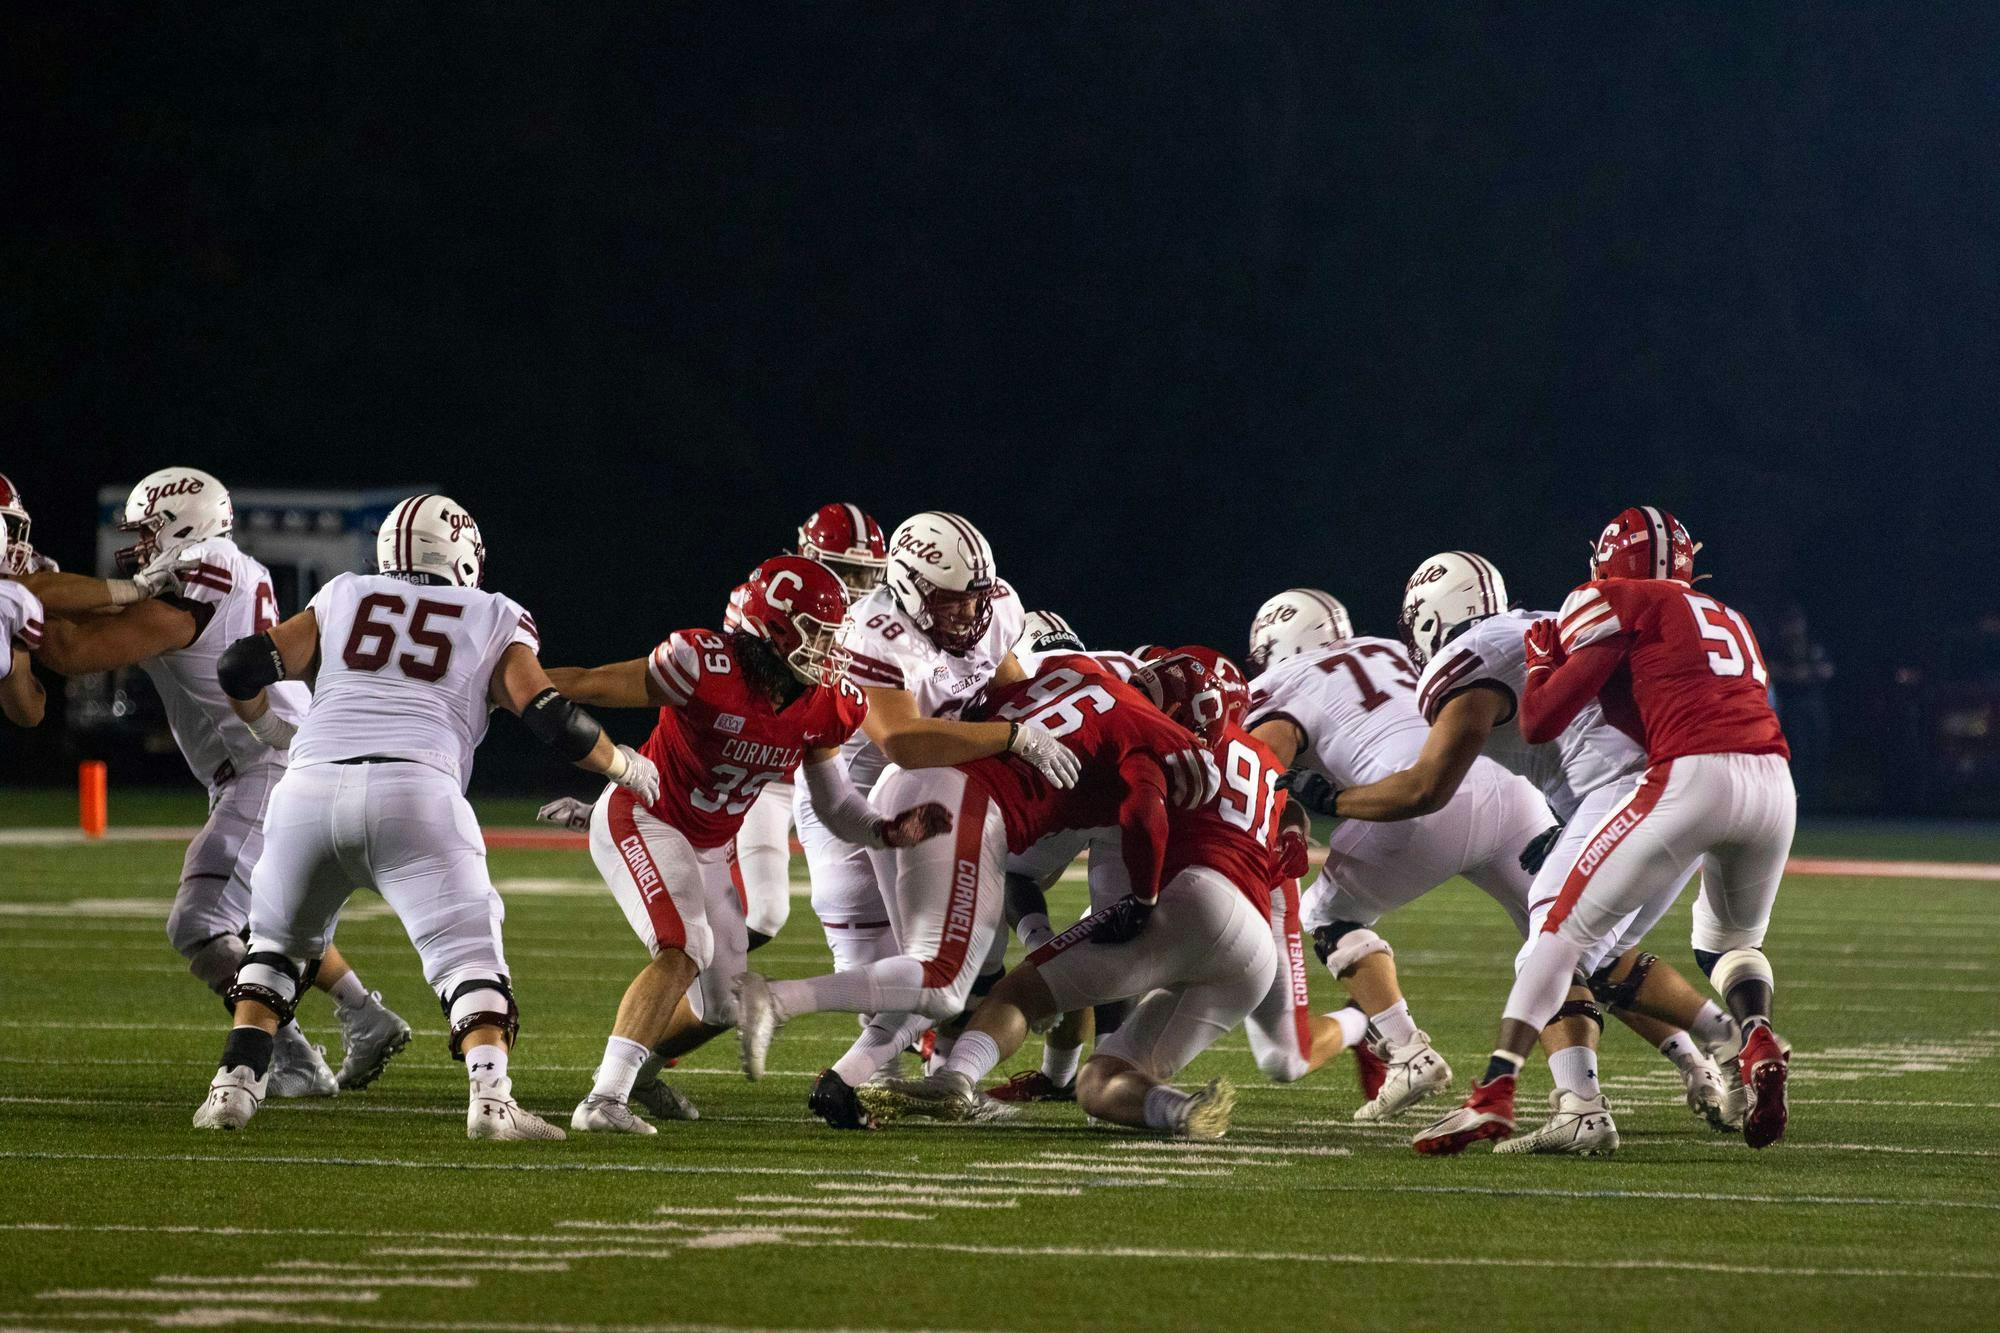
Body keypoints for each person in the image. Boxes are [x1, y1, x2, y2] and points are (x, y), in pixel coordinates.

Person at [191, 494, 660, 1139]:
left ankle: (233, 1090)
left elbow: (239, 664)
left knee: (273, 949)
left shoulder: (345, 593)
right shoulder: (494, 613)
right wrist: (624, 766)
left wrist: (272, 726)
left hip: (307, 789)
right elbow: (551, 715)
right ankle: (492, 1100)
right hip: (417, 791)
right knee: (469, 958)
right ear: (465, 555)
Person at [1313, 551, 1736, 1151]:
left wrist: (1335, 800)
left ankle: (1713, 1050)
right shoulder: (1551, 621)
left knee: (1550, 953)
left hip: (1627, 802)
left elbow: (1426, 789)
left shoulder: (1474, 656)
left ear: (1431, 617)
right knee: (1593, 952)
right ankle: (1646, 1083)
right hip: (1679, 784)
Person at [1414, 507, 1795, 1155]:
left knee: (1553, 930)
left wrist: (1539, 662)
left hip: (1682, 779)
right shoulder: (1727, 615)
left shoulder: (1608, 597)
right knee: (1725, 941)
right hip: (1774, 781)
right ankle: (1749, 1033)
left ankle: (1497, 1089)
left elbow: (1540, 719)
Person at [536, 554, 946, 1135]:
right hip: (646, 815)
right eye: (818, 637)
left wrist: (884, 829)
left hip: (707, 843)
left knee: (725, 1002)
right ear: (774, 630)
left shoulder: (824, 702)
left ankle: (643, 1073)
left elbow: (833, 805)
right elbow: (591, 684)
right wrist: (510, 687)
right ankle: (604, 1099)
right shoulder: (702, 666)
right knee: (683, 946)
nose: (830, 653)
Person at [32, 467, 409, 1095]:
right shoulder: (228, 569)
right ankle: (364, 1015)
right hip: (292, 762)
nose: (142, 545)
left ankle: (290, 1057)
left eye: (151, 530)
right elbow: (104, 604)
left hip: (265, 767)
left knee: (200, 924)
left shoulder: (201, 584)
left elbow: (74, 652)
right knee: (280, 922)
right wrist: (38, 585)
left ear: (185, 524)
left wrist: (21, 601)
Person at [735, 654, 1219, 1120]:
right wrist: (1145, 896)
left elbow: (1010, 691)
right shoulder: (1159, 734)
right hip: (965, 802)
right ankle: (778, 1000)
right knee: (943, 983)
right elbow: (1143, 813)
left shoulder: (1078, 671)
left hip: (910, 784)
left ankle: (843, 1079)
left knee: (935, 979)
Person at [862, 648, 1286, 1139]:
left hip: (1191, 897)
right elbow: (1288, 854)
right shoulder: (1266, 762)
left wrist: (1144, 898)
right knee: (1100, 1082)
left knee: (1019, 994)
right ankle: (1181, 1111)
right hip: (1255, 953)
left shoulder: (1158, 736)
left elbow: (1144, 814)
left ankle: (957, 1079)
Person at [763, 511, 1081, 1128]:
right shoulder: (873, 630)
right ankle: (867, 1074)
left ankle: (913, 1084)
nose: (971, 613)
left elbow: (1008, 692)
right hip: (853, 804)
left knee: (953, 957)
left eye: (977, 597)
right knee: (909, 966)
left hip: (936, 788)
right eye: (954, 600)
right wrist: (1014, 739)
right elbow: (902, 740)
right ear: (909, 587)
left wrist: (1022, 736)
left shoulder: (1000, 608)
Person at [1243, 585, 1567, 1126]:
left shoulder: (1279, 683)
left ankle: (1408, 1050)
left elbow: (1262, 768)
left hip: (1417, 800)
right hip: (1513, 788)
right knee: (1563, 940)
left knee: (1327, 913)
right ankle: (1692, 1058)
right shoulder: (1393, 649)